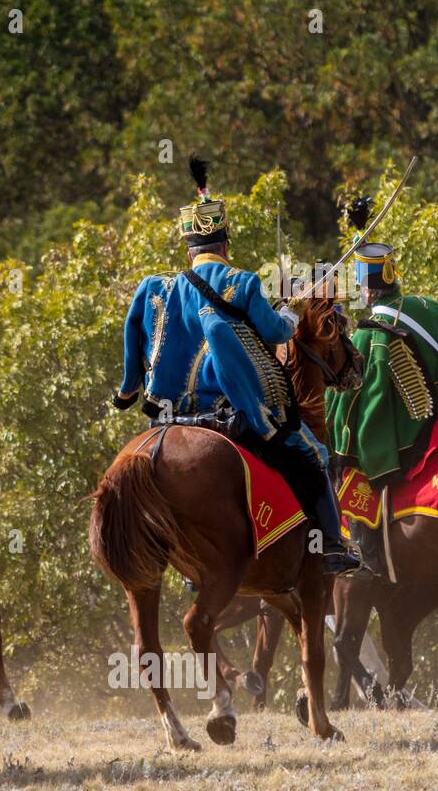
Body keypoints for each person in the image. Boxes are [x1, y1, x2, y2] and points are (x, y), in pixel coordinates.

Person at [115, 157, 359, 575]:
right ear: (225, 246)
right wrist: (294, 313)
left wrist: (127, 390)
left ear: (188, 249)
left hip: (168, 415)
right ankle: (333, 544)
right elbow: (277, 333)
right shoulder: (241, 283)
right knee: (314, 452)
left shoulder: (157, 287)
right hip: (229, 412)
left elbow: (132, 331)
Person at [327, 200, 438, 574]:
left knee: (348, 465)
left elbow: (357, 401)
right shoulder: (430, 306)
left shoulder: (368, 337)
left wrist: (336, 434)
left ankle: (366, 554)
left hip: (413, 431)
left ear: (366, 292)